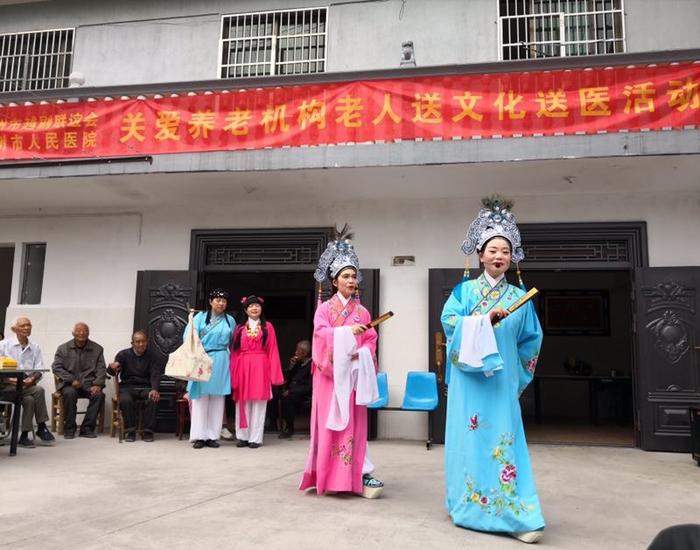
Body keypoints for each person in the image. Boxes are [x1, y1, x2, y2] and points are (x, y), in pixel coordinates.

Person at [441, 196, 544, 544]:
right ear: (480, 255)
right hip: (470, 381)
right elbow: (449, 323)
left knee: (504, 443)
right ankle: (465, 505)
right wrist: (483, 320)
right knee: (469, 442)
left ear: (512, 258)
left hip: (502, 382)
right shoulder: (464, 292)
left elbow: (531, 340)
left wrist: (519, 376)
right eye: (493, 250)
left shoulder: (520, 297)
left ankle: (513, 512)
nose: (499, 255)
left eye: (506, 251)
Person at [299, 227, 383, 498]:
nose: (351, 280)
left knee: (355, 426)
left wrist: (363, 353)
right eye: (345, 276)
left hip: (354, 376)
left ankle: (359, 472)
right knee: (330, 424)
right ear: (334, 281)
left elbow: (371, 340)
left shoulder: (363, 312)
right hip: (330, 377)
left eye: (354, 276)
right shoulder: (324, 310)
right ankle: (329, 476)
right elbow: (320, 336)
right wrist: (347, 334)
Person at [230, 295, 283, 448]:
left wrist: (274, 375)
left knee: (259, 402)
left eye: (257, 305)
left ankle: (255, 438)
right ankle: (242, 436)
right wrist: (233, 372)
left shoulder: (268, 327)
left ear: (261, 308)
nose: (254, 308)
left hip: (261, 365)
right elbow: (234, 352)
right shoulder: (239, 328)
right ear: (246, 310)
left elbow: (273, 350)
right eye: (251, 306)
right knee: (243, 401)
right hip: (243, 365)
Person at [185, 288, 235, 449]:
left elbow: (233, 343)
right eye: (218, 300)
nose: (221, 303)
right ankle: (199, 436)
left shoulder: (230, 320)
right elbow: (189, 337)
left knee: (218, 399)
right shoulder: (200, 318)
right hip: (202, 358)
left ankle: (213, 436)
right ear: (210, 302)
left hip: (221, 359)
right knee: (200, 399)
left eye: (224, 301)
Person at [0, 316, 54, 447]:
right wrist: (8, 378)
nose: (26, 328)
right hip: (6, 385)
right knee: (39, 390)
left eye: (29, 325)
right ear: (13, 329)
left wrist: (32, 378)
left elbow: (39, 368)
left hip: (25, 385)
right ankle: (41, 426)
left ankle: (24, 435)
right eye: (22, 325)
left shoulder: (35, 347)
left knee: (29, 399)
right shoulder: (3, 345)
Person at [51, 322, 107, 439]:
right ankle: (69, 428)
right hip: (69, 384)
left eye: (85, 330)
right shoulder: (63, 348)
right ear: (73, 333)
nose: (82, 333)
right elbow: (56, 367)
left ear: (88, 333)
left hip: (89, 383)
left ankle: (87, 428)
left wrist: (98, 384)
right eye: (78, 330)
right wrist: (71, 380)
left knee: (99, 395)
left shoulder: (97, 349)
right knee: (70, 393)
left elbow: (101, 369)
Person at [106, 330, 161, 442]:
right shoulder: (123, 355)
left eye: (143, 341)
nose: (141, 344)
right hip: (127, 386)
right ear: (132, 343)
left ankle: (148, 432)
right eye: (138, 341)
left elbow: (155, 374)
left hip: (145, 387)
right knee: (126, 400)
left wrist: (154, 389)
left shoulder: (152, 356)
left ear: (147, 342)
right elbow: (113, 372)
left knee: (153, 398)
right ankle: (130, 431)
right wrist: (111, 367)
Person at [278, 340, 312, 439]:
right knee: (274, 395)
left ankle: (289, 428)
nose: (296, 352)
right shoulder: (298, 363)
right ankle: (272, 424)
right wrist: (292, 365)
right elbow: (288, 378)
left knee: (287, 400)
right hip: (292, 390)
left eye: (298, 350)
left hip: (303, 393)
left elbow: (308, 387)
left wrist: (291, 391)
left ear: (305, 353)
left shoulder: (311, 365)